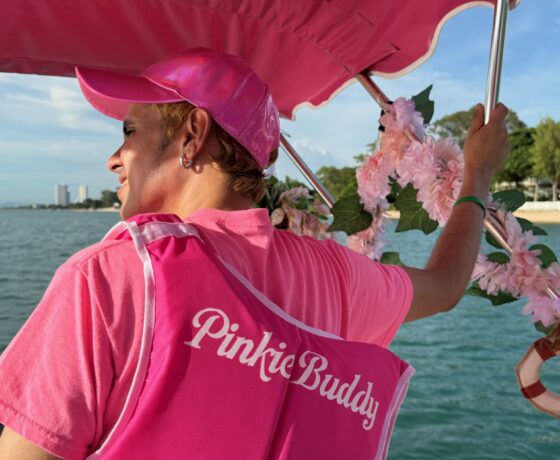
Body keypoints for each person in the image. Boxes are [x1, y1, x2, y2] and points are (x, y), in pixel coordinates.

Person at [0, 48, 510, 459]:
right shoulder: (334, 274)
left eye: (130, 132)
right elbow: (445, 286)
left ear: (193, 135)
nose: (114, 159)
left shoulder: (109, 280)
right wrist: (477, 177)